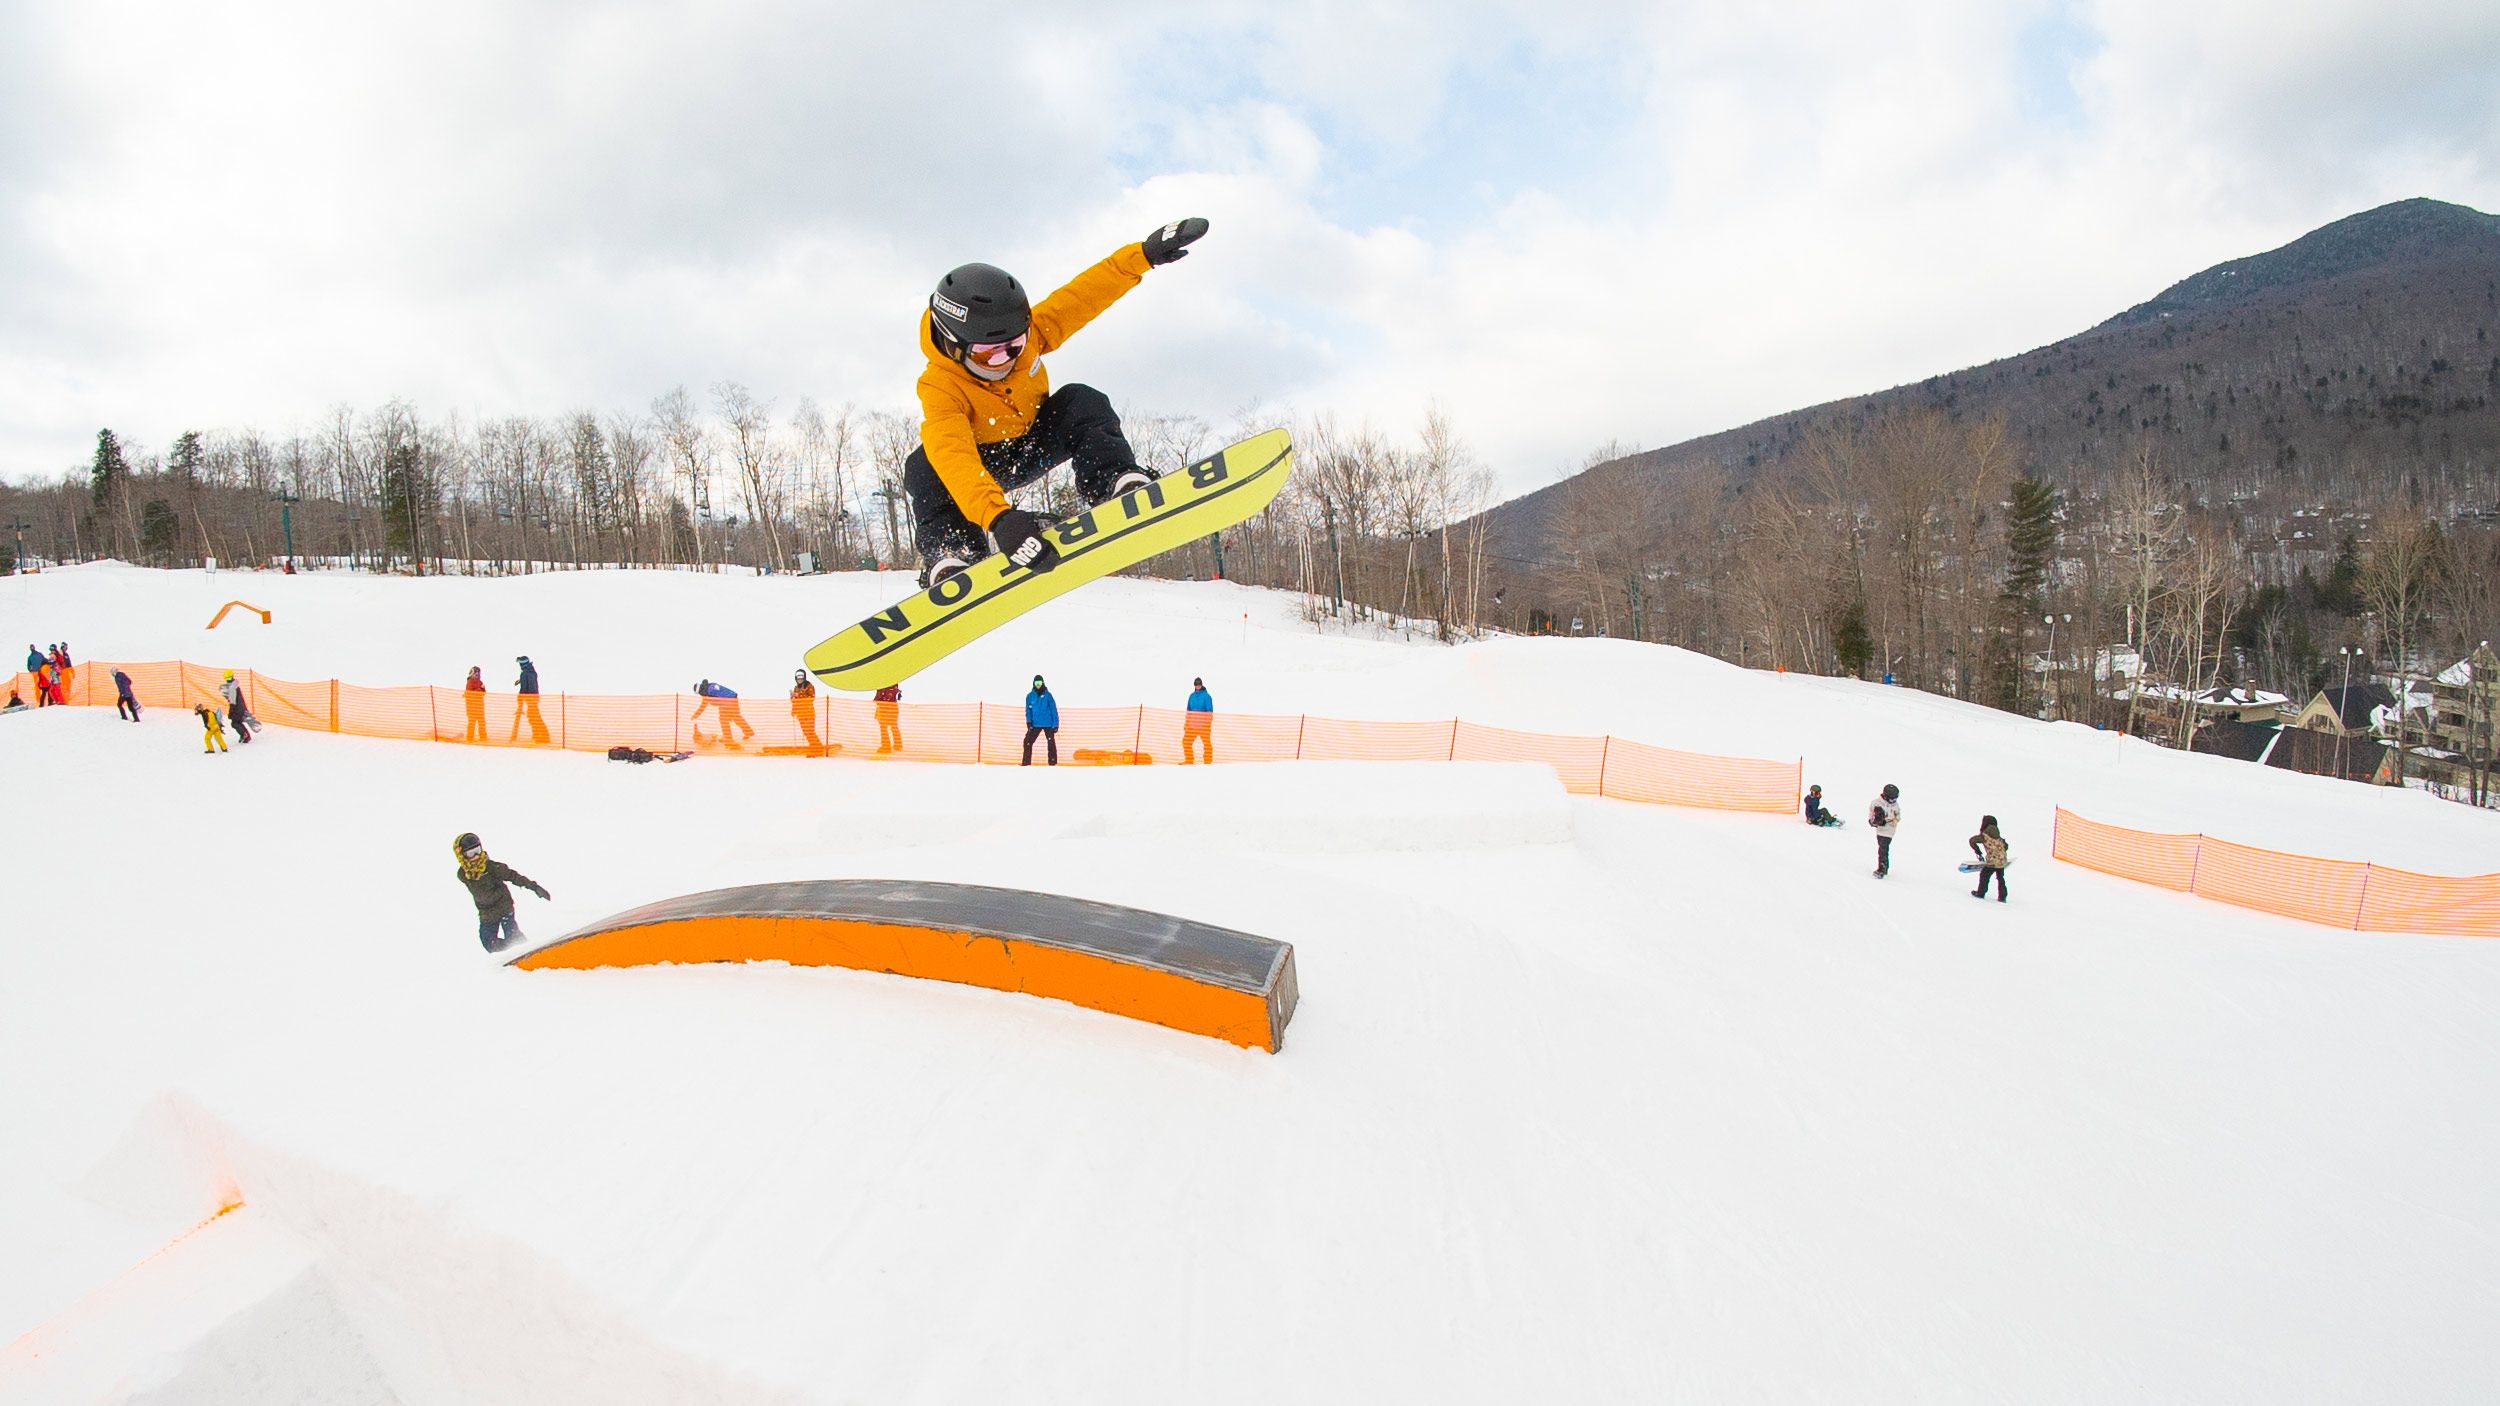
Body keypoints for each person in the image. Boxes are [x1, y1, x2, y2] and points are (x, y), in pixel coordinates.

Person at [904, 217, 1210, 586]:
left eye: (1015, 347)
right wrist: (999, 519)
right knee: (923, 465)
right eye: (989, 355)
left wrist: (1142, 256)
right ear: (953, 345)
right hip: (983, 462)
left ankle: (1114, 480)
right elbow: (955, 458)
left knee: (1081, 400)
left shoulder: (1031, 335)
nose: (1006, 360)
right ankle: (953, 552)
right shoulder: (939, 386)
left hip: (1035, 441)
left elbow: (1082, 296)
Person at [454, 831, 548, 953]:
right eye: (471, 853)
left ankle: (523, 949)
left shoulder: (493, 868)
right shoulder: (463, 875)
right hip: (486, 913)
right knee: (488, 942)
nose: (476, 856)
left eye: (478, 850)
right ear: (461, 855)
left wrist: (534, 887)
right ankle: (511, 954)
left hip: (504, 907)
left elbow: (514, 876)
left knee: (513, 937)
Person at [693, 679, 753, 745]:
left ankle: (728, 738)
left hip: (726, 703)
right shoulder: (710, 686)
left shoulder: (708, 692)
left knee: (723, 720)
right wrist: (696, 714)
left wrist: (696, 715)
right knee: (736, 717)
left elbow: (704, 705)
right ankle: (748, 732)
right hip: (734, 699)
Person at [1968, 815, 2011, 902]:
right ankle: (2002, 897)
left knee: (1984, 875)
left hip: (1992, 861)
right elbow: (2006, 846)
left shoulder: (1985, 835)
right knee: (2000, 877)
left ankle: (1980, 893)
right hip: (2002, 860)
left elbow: (1972, 840)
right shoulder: (1998, 836)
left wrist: (1978, 851)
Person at [1022, 674, 1059, 766]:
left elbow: (1053, 710)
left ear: (1043, 683)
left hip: (1048, 724)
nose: (1038, 685)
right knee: (1027, 742)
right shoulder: (1030, 696)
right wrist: (1029, 722)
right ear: (1034, 683)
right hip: (1035, 724)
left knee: (1051, 743)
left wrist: (1055, 724)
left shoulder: (1048, 696)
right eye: (1036, 683)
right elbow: (1028, 710)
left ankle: (1053, 763)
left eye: (1040, 682)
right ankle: (1026, 763)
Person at [512, 655, 550, 743]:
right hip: (534, 697)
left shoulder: (525, 673)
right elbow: (530, 680)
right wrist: (521, 680)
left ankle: (542, 736)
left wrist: (520, 698)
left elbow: (524, 688)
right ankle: (540, 735)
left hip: (530, 698)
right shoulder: (531, 671)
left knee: (533, 717)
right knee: (534, 716)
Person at [1869, 783, 1902, 878]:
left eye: (1895, 799)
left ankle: (1882, 869)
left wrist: (1890, 820)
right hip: (1880, 830)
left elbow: (1898, 817)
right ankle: (1884, 867)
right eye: (1892, 799)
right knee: (1883, 848)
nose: (1894, 801)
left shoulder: (1895, 805)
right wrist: (1874, 821)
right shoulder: (1876, 803)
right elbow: (1871, 816)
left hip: (1889, 831)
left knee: (1883, 848)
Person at [1182, 676, 1214, 764]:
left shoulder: (1207, 696)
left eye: (1199, 684)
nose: (1198, 686)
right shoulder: (1191, 696)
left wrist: (1208, 724)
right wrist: (1186, 724)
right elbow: (1189, 710)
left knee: (1207, 744)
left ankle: (1208, 761)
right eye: (1196, 685)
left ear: (1201, 685)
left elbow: (1209, 711)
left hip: (1203, 726)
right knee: (1186, 742)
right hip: (1192, 725)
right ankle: (1189, 760)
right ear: (1194, 685)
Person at [789, 669, 823, 752]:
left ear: (804, 677)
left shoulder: (809, 686)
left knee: (810, 731)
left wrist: (799, 695)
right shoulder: (796, 688)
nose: (799, 679)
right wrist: (793, 700)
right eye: (798, 678)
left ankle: (817, 747)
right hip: (801, 714)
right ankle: (815, 746)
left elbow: (811, 698)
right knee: (806, 732)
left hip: (808, 713)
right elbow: (795, 701)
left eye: (801, 677)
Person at [220, 670, 256, 743]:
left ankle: (244, 734)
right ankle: (246, 736)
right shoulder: (235, 685)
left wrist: (231, 711)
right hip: (241, 707)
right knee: (238, 722)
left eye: (229, 678)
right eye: (227, 679)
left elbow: (232, 702)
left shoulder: (232, 688)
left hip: (237, 709)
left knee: (235, 723)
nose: (228, 680)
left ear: (232, 677)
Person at [873, 682, 904, 753]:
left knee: (885, 727)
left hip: (887, 707)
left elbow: (884, 696)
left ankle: (887, 746)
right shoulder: (887, 683)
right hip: (887, 706)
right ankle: (897, 745)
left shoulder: (887, 683)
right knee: (891, 726)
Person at [463, 665, 488, 742]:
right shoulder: (470, 682)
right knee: (472, 722)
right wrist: (480, 689)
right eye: (476, 674)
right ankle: (470, 738)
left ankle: (483, 737)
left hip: (479, 706)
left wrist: (483, 689)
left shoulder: (480, 682)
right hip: (472, 707)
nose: (478, 676)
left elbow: (483, 692)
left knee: (482, 722)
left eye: (479, 674)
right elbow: (470, 694)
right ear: (472, 674)